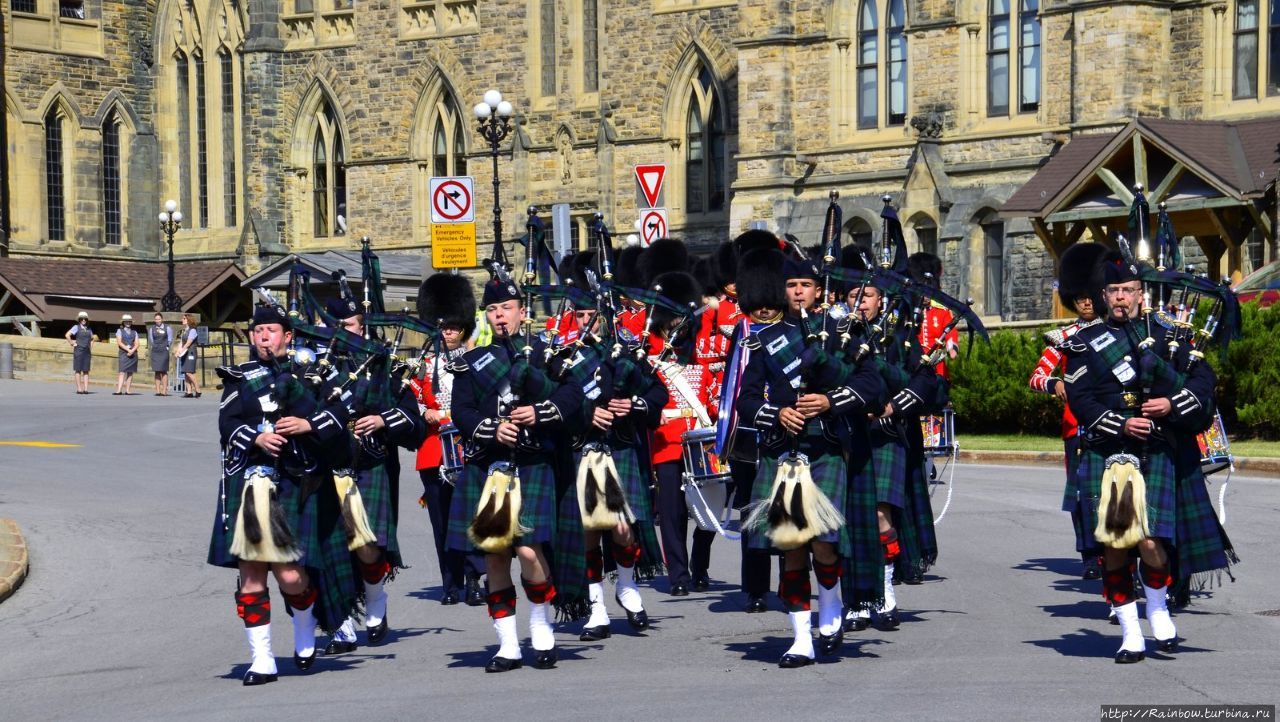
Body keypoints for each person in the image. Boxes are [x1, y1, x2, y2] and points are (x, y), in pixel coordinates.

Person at [1062, 249, 1236, 663]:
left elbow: (1203, 380)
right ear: (1103, 295)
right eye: (1114, 290)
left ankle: (1157, 607)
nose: (1121, 297)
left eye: (1129, 290)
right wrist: (1120, 424)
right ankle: (1129, 632)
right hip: (1113, 454)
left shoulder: (1168, 333)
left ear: (1142, 294)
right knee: (1118, 544)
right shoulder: (1084, 343)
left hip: (1158, 449)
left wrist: (1172, 405)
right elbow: (1081, 401)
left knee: (1154, 541)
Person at [736, 248, 885, 667]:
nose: (798, 291)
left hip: (827, 448)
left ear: (818, 290)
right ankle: (801, 637)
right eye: (791, 285)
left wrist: (829, 401)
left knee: (824, 544)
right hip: (785, 453)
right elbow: (746, 400)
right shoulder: (766, 339)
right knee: (791, 545)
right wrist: (776, 412)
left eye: (805, 285)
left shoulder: (840, 331)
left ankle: (832, 603)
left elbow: (872, 383)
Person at [207, 303, 357, 686]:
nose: (263, 337)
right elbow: (227, 424)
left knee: (290, 575)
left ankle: (305, 630)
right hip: (253, 483)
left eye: (271, 331)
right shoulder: (240, 377)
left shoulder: (311, 374)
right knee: (251, 574)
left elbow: (341, 414)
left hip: (297, 484)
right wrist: (257, 436)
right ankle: (262, 660)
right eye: (258, 332)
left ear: (288, 337)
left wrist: (307, 423)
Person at [446, 265, 586, 672]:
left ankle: (541, 627)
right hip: (491, 467)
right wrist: (493, 430)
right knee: (494, 557)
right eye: (493, 310)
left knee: (528, 549)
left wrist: (538, 412)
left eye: (507, 308)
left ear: (523, 312)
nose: (501, 316)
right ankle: (507, 645)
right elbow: (462, 411)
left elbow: (574, 395)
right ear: (486, 317)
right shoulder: (471, 362)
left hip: (535, 463)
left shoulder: (545, 353)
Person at [319, 294, 428, 654]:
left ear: (361, 327)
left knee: (367, 546)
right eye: (336, 327)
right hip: (329, 466)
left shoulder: (385, 364)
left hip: (371, 462)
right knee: (333, 548)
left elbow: (411, 415)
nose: (343, 334)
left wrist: (382, 419)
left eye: (349, 326)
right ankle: (341, 625)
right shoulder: (316, 366)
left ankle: (376, 599)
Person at [1029, 242, 1106, 581]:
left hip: (1110, 423)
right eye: (1079, 298)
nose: (1086, 303)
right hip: (1076, 429)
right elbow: (1037, 376)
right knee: (1082, 493)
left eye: (1090, 295)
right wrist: (1055, 383)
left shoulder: (1116, 331)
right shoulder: (1063, 338)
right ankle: (1088, 552)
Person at [410, 272, 486, 607]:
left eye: (454, 327)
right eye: (444, 326)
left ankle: (473, 577)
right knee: (440, 520)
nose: (449, 332)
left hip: (466, 447)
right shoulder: (422, 366)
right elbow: (411, 400)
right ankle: (449, 581)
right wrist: (423, 411)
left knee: (470, 516)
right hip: (433, 450)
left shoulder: (476, 361)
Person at [645, 268, 717, 597]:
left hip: (701, 437)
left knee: (707, 509)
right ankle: (678, 573)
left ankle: (699, 565)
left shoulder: (702, 347)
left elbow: (712, 391)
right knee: (672, 511)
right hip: (667, 440)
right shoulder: (649, 350)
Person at [66, 311, 94, 394]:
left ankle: (86, 389)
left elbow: (92, 339)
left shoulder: (89, 329)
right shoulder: (76, 327)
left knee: (86, 370)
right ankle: (79, 388)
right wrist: (72, 343)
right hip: (78, 350)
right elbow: (67, 335)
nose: (84, 320)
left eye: (85, 319)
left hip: (87, 351)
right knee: (78, 370)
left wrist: (90, 347)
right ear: (79, 319)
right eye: (82, 319)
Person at [175, 313, 201, 398]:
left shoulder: (192, 330)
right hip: (184, 352)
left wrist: (182, 350)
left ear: (188, 320)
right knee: (185, 372)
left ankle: (198, 389)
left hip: (191, 352)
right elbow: (181, 342)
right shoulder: (184, 330)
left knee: (189, 372)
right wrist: (178, 351)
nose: (182, 320)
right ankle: (189, 391)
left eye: (184, 318)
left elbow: (189, 342)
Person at [114, 314, 139, 395]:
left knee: (130, 372)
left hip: (133, 353)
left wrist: (132, 351)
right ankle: (119, 390)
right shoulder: (119, 331)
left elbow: (137, 344)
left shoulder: (134, 332)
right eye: (126, 321)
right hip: (123, 353)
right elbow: (119, 342)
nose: (128, 322)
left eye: (129, 321)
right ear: (123, 322)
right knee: (122, 372)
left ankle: (128, 390)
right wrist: (128, 349)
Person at [149, 313, 173, 396]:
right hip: (155, 351)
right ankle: (158, 391)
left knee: (163, 370)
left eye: (159, 319)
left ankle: (164, 391)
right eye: (156, 319)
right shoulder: (152, 329)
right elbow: (151, 340)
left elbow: (170, 340)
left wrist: (166, 347)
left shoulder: (167, 328)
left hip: (163, 351)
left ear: (162, 319)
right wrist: (155, 346)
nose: (157, 320)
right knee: (157, 371)